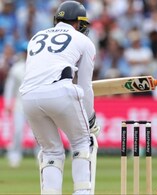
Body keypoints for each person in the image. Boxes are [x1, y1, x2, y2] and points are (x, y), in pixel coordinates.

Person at [19, 1, 100, 194]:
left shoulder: (36, 37)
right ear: (78, 23)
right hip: (60, 91)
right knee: (83, 142)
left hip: (28, 96)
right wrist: (90, 119)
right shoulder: (84, 41)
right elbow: (84, 86)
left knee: (51, 152)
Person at [4, 43, 27, 168]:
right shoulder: (17, 68)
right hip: (20, 104)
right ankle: (14, 155)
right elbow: (10, 87)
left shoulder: (38, 67)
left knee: (39, 133)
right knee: (18, 131)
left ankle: (43, 156)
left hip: (35, 104)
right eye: (25, 51)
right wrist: (8, 103)